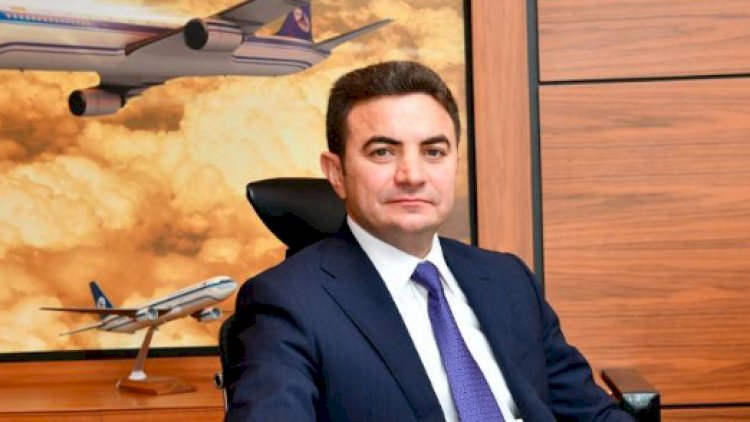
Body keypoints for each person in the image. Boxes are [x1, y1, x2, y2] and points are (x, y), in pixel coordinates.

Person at [226, 61, 633, 421]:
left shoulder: (508, 279)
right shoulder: (285, 302)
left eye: (433, 152)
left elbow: (591, 414)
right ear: (336, 173)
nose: (413, 175)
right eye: (383, 152)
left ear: (455, 162)